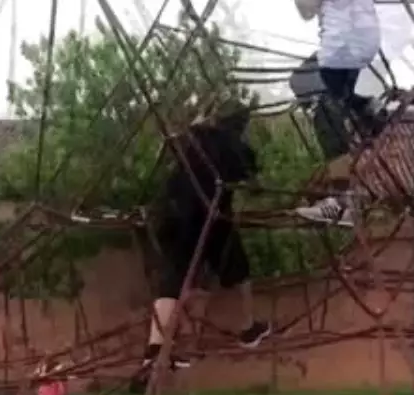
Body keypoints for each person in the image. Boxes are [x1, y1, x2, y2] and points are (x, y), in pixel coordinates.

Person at [142, 103, 270, 373]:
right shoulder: (238, 148)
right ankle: (247, 328)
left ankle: (155, 349)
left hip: (170, 212)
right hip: (207, 216)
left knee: (173, 279)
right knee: (238, 268)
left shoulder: (194, 137)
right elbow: (255, 187)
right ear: (242, 125)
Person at [293, 0, 386, 227]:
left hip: (347, 46)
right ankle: (364, 107)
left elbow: (307, 7)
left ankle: (342, 202)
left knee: (322, 106)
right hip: (358, 43)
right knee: (303, 82)